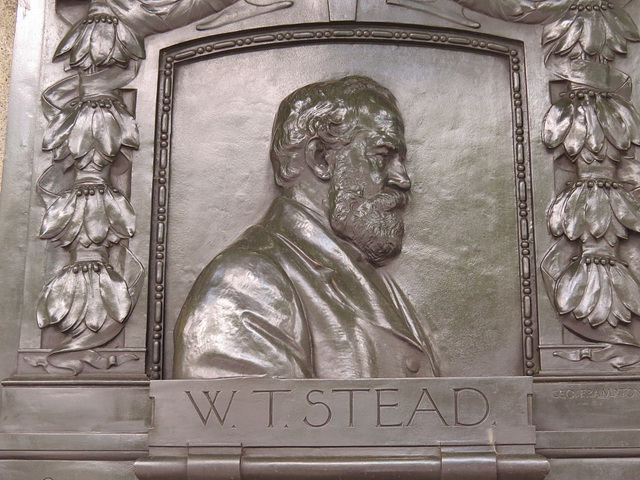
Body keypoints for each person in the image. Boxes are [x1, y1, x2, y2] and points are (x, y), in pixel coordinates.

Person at [173, 76, 438, 379]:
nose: (403, 179)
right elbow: (242, 422)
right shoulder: (246, 282)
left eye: (401, 160)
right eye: (382, 156)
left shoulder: (372, 278)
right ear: (321, 159)